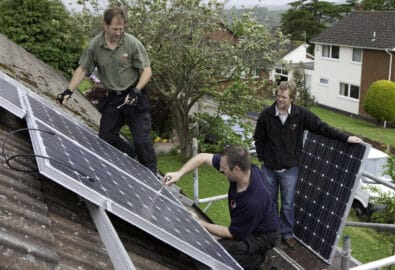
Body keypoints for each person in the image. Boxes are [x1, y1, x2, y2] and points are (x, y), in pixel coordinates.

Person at [253, 81, 363, 248]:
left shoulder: (300, 115)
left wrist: (346, 138)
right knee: (271, 202)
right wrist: (262, 157)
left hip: (290, 169)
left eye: (284, 97)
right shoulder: (266, 115)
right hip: (269, 169)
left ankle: (287, 233)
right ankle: (272, 234)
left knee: (288, 204)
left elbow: (322, 128)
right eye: (278, 96)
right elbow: (258, 138)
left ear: (292, 98)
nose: (280, 100)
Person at [56, 7, 157, 175]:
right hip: (114, 98)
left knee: (142, 141)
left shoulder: (132, 43)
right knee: (106, 138)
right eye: (114, 29)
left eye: (121, 29)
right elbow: (82, 69)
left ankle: (152, 177)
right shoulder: (95, 45)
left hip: (134, 95)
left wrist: (137, 91)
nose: (118, 33)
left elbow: (147, 70)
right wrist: (68, 91)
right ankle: (130, 153)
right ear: (105, 25)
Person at [163, 145, 280, 270]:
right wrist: (179, 173)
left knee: (214, 259)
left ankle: (259, 260)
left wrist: (199, 223)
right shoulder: (243, 168)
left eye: (223, 167)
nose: (220, 168)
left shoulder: (254, 200)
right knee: (213, 253)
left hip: (262, 236)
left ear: (236, 169)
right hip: (248, 225)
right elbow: (202, 157)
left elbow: (233, 233)